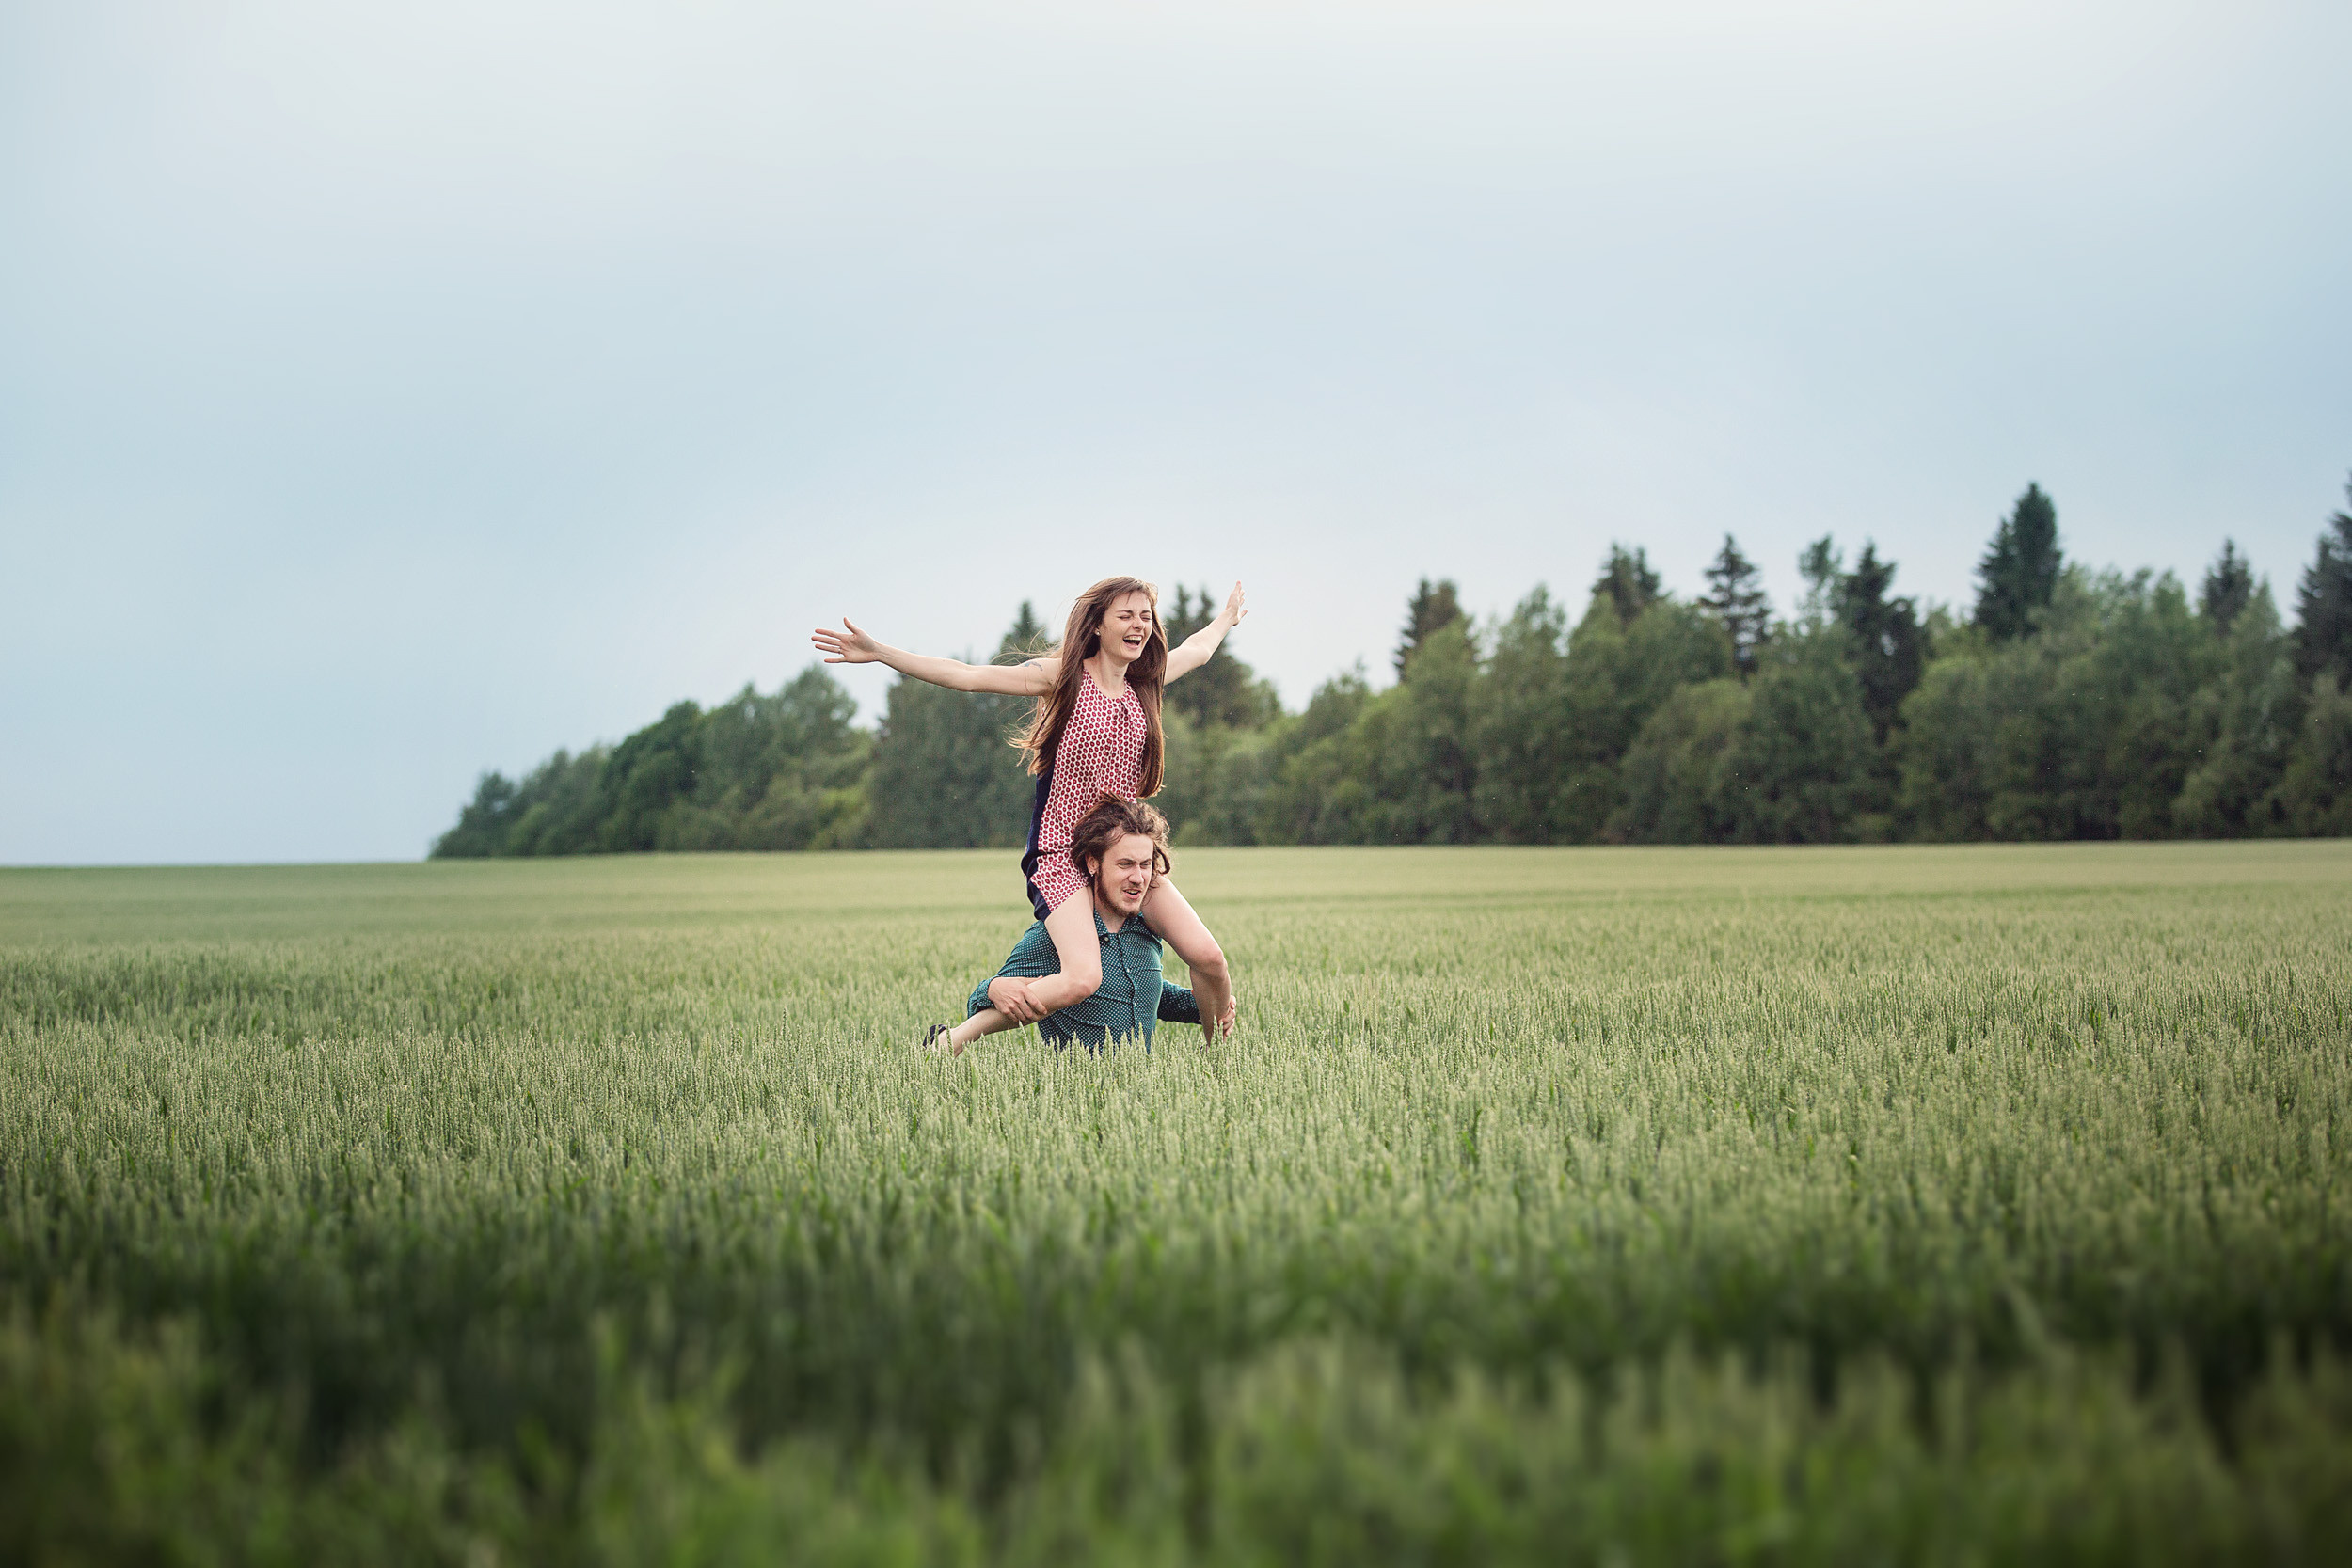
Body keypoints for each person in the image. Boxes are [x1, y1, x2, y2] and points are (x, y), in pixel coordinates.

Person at [814, 577, 1241, 1036]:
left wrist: (1226, 618)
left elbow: (1198, 650)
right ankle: (955, 1038)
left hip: (1122, 852)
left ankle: (1215, 1059)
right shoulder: (1062, 677)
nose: (1139, 625)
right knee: (1082, 978)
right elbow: (968, 676)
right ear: (1097, 625)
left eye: (1145, 616)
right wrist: (880, 651)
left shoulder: (1145, 683)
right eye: (1125, 615)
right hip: (1061, 854)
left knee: (1208, 957)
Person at [928, 796, 1205, 1054]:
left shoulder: (1146, 930)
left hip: (1139, 1095)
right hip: (1075, 1095)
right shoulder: (1053, 938)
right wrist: (992, 988)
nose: (1138, 877)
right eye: (1125, 864)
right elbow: (988, 1005)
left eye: (1145, 865)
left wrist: (1200, 1004)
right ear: (1093, 862)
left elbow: (1141, 992)